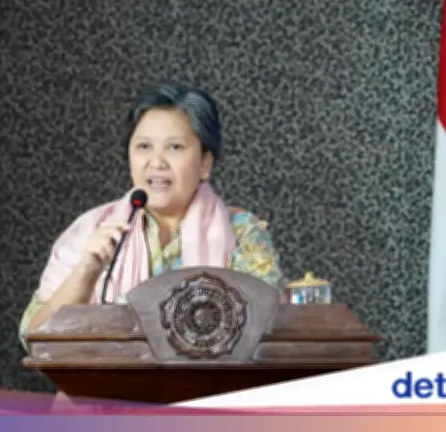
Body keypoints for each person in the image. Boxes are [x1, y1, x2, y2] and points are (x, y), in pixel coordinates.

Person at [19, 82, 286, 351]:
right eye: (144, 146)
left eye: (175, 147)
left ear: (206, 162)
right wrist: (87, 272)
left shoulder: (242, 235)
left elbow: (269, 333)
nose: (156, 162)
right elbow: (35, 340)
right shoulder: (93, 230)